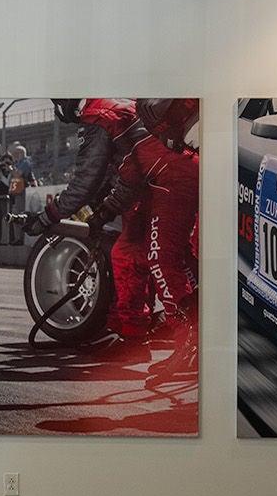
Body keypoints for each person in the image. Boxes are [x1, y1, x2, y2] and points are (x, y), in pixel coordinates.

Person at [18, 99, 151, 340]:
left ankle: (130, 333)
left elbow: (85, 181)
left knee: (124, 254)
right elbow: (116, 164)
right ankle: (142, 322)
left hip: (147, 185)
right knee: (157, 256)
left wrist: (47, 217)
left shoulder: (96, 116)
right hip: (163, 174)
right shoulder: (117, 102)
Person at [108, 99, 200, 379]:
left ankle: (190, 341)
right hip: (197, 167)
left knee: (160, 258)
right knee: (189, 253)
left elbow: (128, 176)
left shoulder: (137, 134)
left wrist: (100, 213)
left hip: (184, 176)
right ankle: (193, 336)